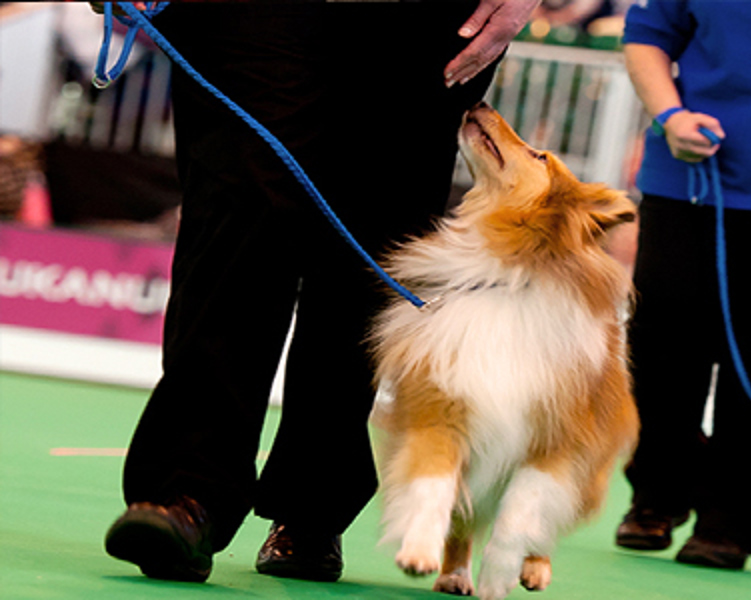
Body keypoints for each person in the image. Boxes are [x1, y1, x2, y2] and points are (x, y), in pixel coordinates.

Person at [100, 0, 541, 586]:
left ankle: (311, 508)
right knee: (235, 217)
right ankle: (188, 492)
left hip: (423, 15)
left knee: (372, 238)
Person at [615, 0, 751, 571]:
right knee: (661, 347)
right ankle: (656, 496)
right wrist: (669, 116)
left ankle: (730, 522)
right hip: (690, 173)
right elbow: (647, 35)